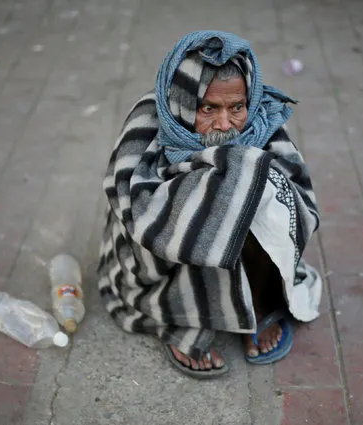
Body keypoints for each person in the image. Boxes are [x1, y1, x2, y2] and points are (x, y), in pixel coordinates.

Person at [98, 31, 321, 379]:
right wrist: (203, 204)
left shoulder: (263, 121)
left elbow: (298, 199)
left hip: (245, 248)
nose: (224, 124)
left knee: (258, 190)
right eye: (208, 108)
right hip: (168, 259)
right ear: (185, 102)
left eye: (236, 107)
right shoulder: (148, 119)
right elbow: (132, 206)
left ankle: (259, 306)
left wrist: (245, 189)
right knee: (201, 211)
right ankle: (180, 315)